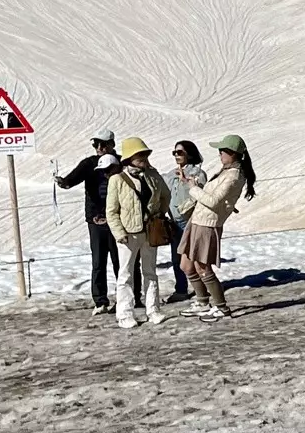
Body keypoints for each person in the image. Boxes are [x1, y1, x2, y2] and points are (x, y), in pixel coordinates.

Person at [179, 135, 256, 321]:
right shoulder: (226, 171)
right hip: (198, 220)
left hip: (207, 224)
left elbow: (213, 202)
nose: (219, 154)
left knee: (203, 267)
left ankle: (221, 307)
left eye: (222, 151)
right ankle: (203, 301)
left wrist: (192, 188)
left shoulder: (234, 176)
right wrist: (196, 185)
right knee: (186, 265)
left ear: (233, 154)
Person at [106, 139, 173, 329]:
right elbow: (111, 211)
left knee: (150, 272)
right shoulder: (117, 180)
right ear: (129, 158)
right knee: (126, 274)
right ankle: (125, 313)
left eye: (145, 155)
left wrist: (158, 214)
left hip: (149, 231)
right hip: (128, 234)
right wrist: (119, 233)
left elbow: (165, 195)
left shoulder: (153, 175)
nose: (144, 158)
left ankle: (153, 310)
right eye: (140, 155)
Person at [55, 130, 121, 314]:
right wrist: (63, 182)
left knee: (120, 261)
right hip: (95, 220)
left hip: (118, 220)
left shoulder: (121, 162)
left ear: (112, 144)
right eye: (96, 144)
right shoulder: (90, 164)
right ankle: (100, 301)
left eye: (103, 144)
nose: (100, 148)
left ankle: (126, 298)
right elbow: (72, 179)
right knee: (98, 262)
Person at [164, 140, 207, 302]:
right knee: (177, 257)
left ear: (189, 153)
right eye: (174, 152)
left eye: (180, 152)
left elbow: (200, 195)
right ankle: (181, 289)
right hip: (174, 222)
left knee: (195, 257)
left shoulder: (198, 174)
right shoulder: (171, 174)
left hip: (191, 221)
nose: (177, 155)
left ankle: (203, 288)